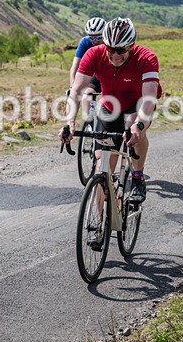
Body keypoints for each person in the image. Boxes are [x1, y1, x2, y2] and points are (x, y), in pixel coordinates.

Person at [60, 17, 162, 204]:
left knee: (132, 124)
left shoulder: (146, 58)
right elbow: (76, 90)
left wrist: (139, 126)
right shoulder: (94, 54)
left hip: (138, 104)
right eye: (111, 49)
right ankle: (98, 230)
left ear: (131, 45)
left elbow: (149, 98)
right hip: (109, 106)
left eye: (121, 50)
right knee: (103, 167)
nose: (115, 55)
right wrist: (70, 122)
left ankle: (138, 176)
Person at [68, 17, 107, 113]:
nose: (95, 41)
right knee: (87, 95)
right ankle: (89, 120)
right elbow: (75, 66)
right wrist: (72, 87)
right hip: (93, 74)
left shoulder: (110, 43)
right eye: (91, 37)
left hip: (109, 73)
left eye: (98, 37)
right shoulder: (85, 42)